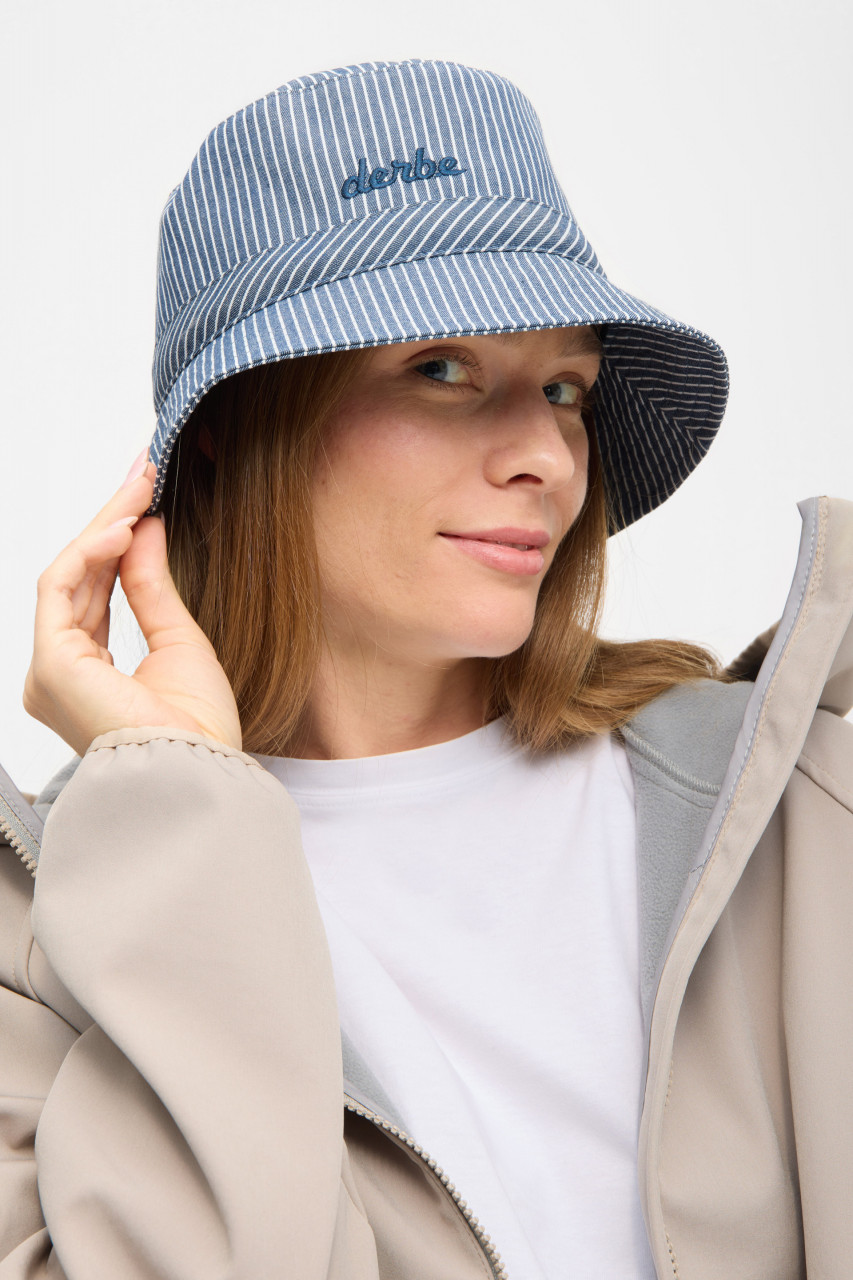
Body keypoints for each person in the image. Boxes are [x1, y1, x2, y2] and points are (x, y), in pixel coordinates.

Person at [1, 58, 851, 1280]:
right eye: (442, 368)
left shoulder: (788, 804)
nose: (547, 454)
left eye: (565, 387)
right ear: (246, 428)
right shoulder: (50, 936)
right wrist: (175, 806)